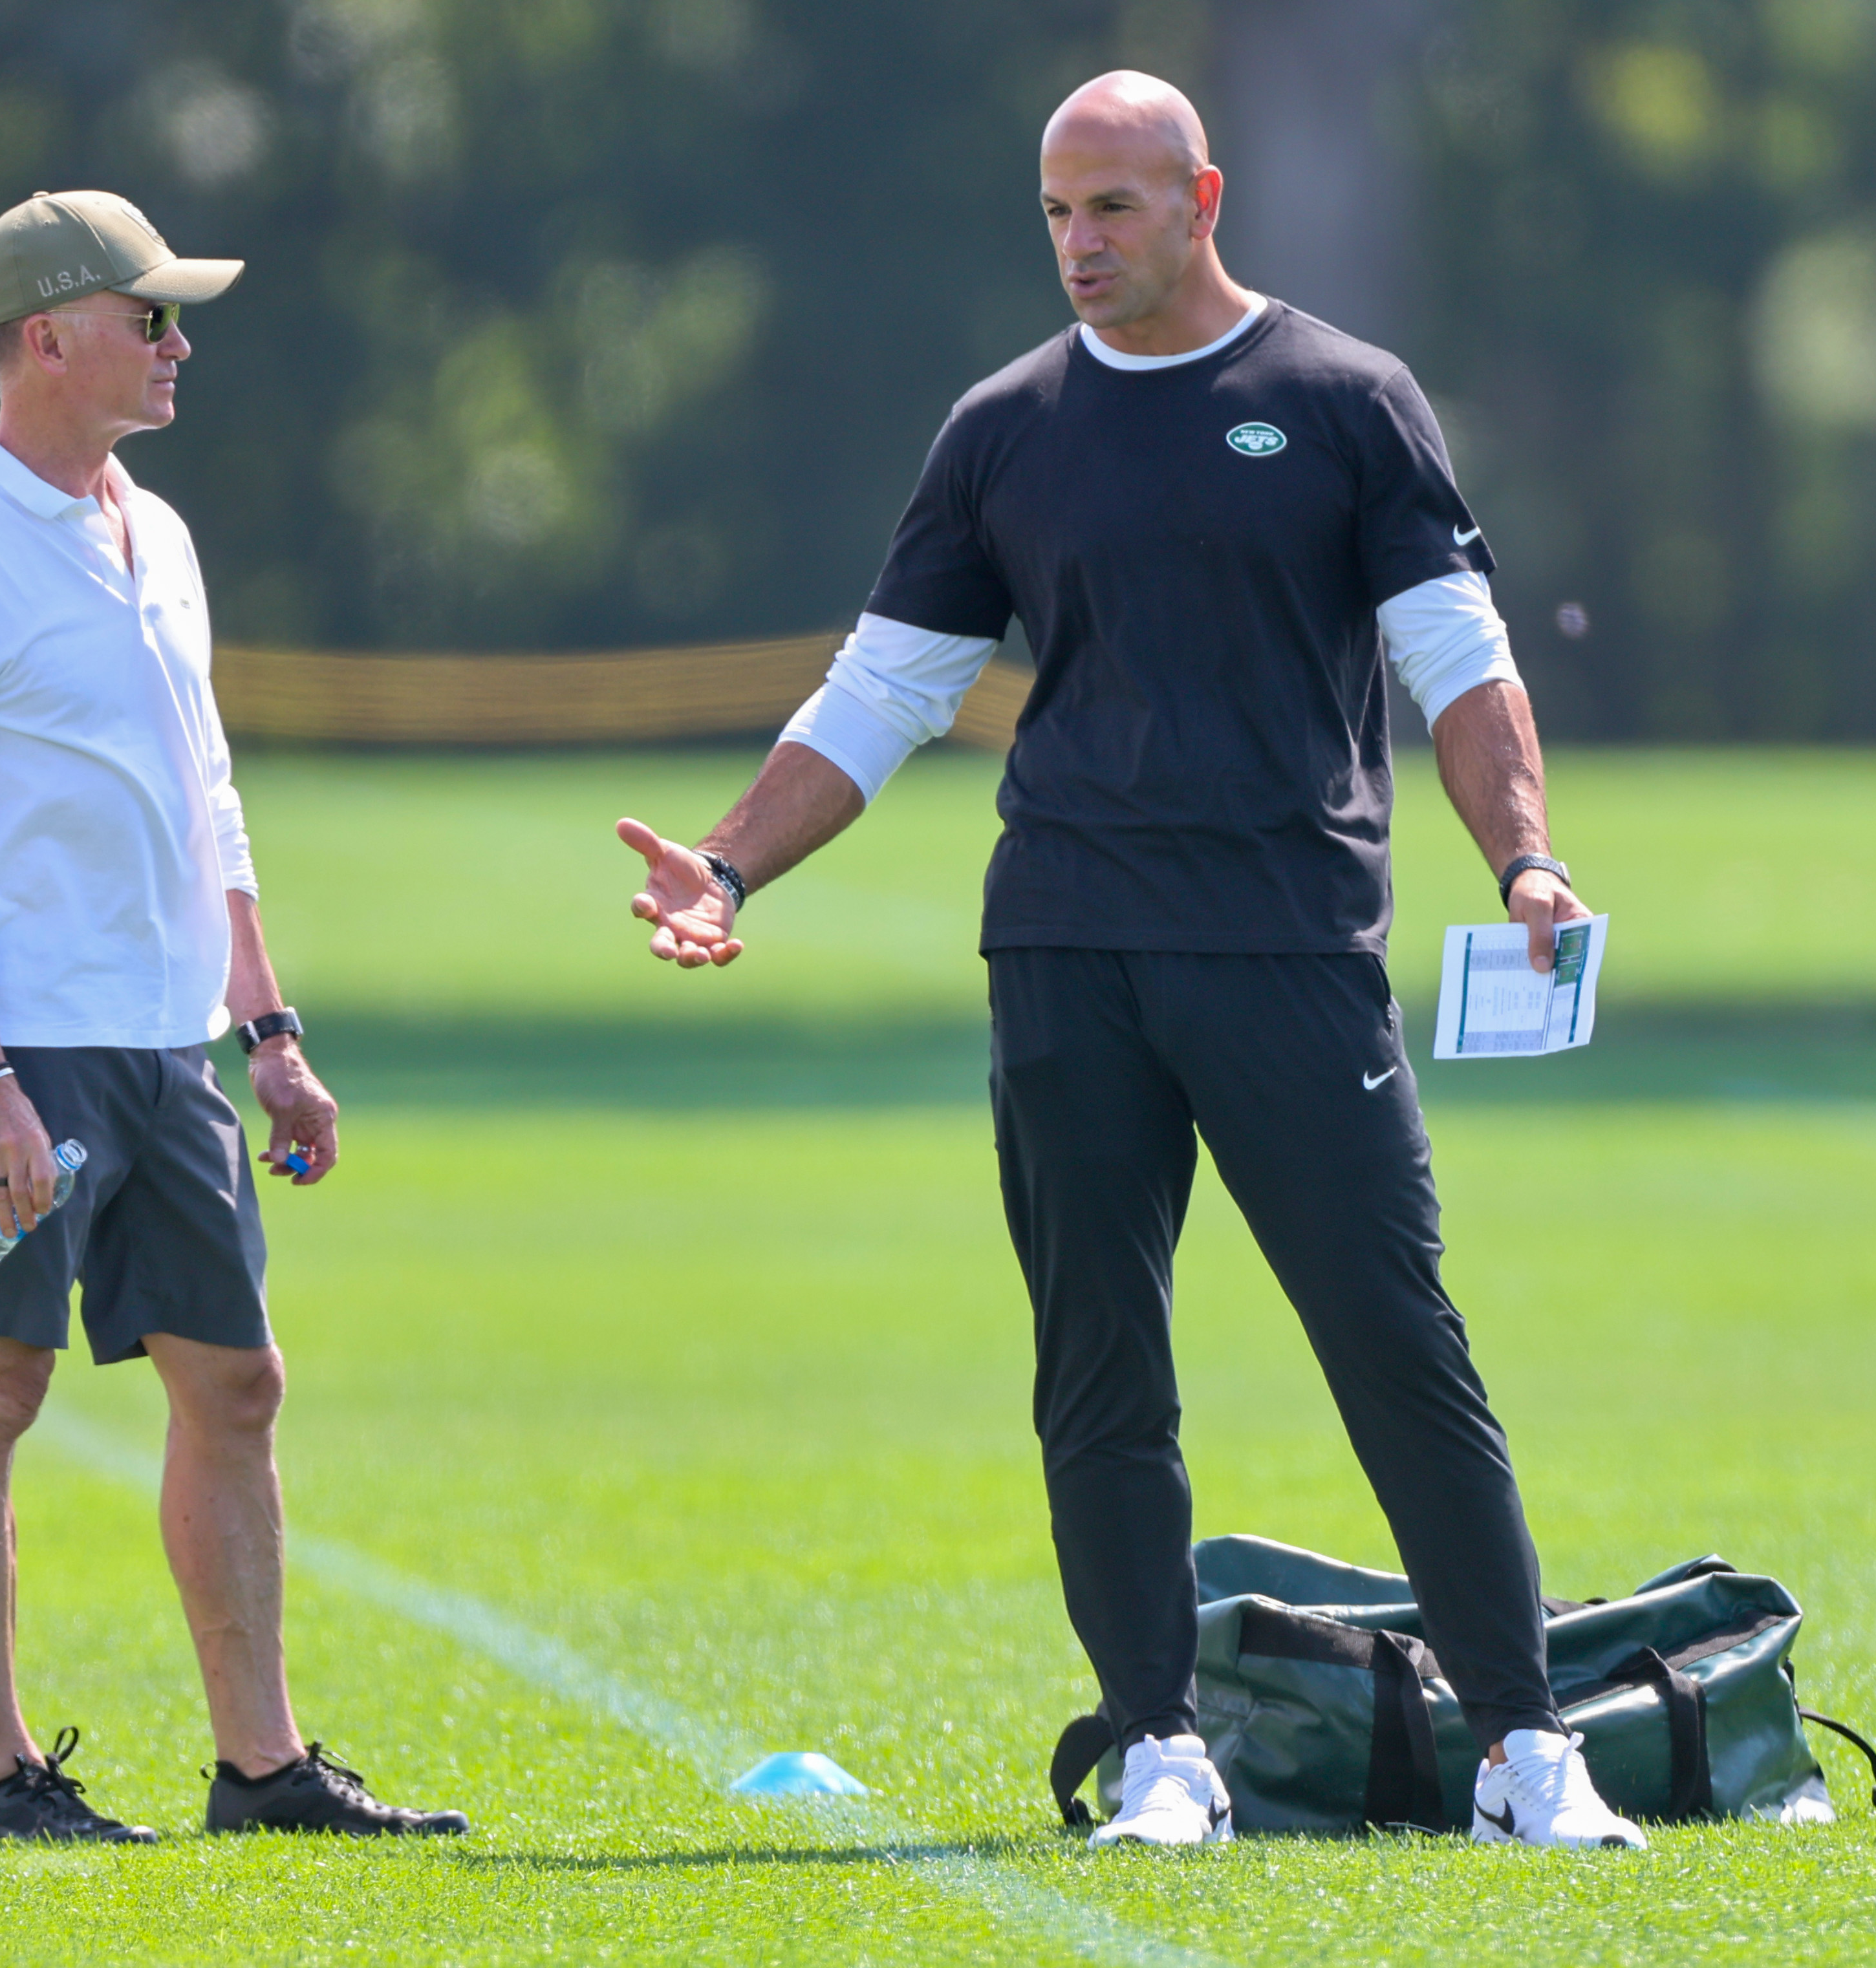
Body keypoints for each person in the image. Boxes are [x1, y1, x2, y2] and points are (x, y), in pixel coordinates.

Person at [617, 75, 1645, 1852]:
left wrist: (1529, 858)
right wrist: (727, 863)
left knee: (1397, 1340)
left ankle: (1524, 1746)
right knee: (1099, 1358)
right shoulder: (1006, 427)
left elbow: (1463, 665)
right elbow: (884, 693)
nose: (1080, 245)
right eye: (1056, 214)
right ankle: (1159, 1751)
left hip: (1289, 946)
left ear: (1200, 197)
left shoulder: (1343, 401)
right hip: (1069, 947)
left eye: (1112, 208)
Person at [0, 190, 465, 1845]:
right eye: (153, 317)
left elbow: (211, 799)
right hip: (11, 1055)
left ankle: (258, 1770)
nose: (180, 344)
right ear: (47, 338)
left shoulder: (160, 532)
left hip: (165, 1042)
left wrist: (266, 1029)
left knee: (239, 1383)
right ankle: (1, 1781)